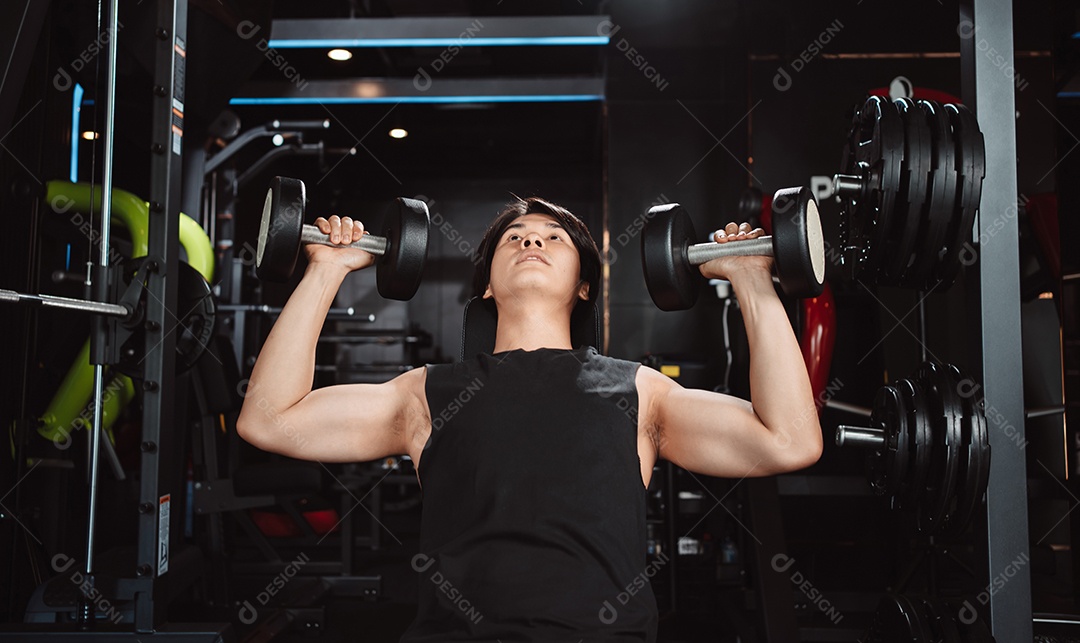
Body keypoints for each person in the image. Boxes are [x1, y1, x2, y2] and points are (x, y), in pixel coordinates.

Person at [236, 196, 823, 642]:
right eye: (512, 237)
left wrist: (752, 281)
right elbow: (269, 421)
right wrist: (326, 270)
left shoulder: (640, 392)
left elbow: (789, 441)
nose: (530, 242)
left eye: (553, 237)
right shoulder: (427, 393)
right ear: (487, 287)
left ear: (584, 285)